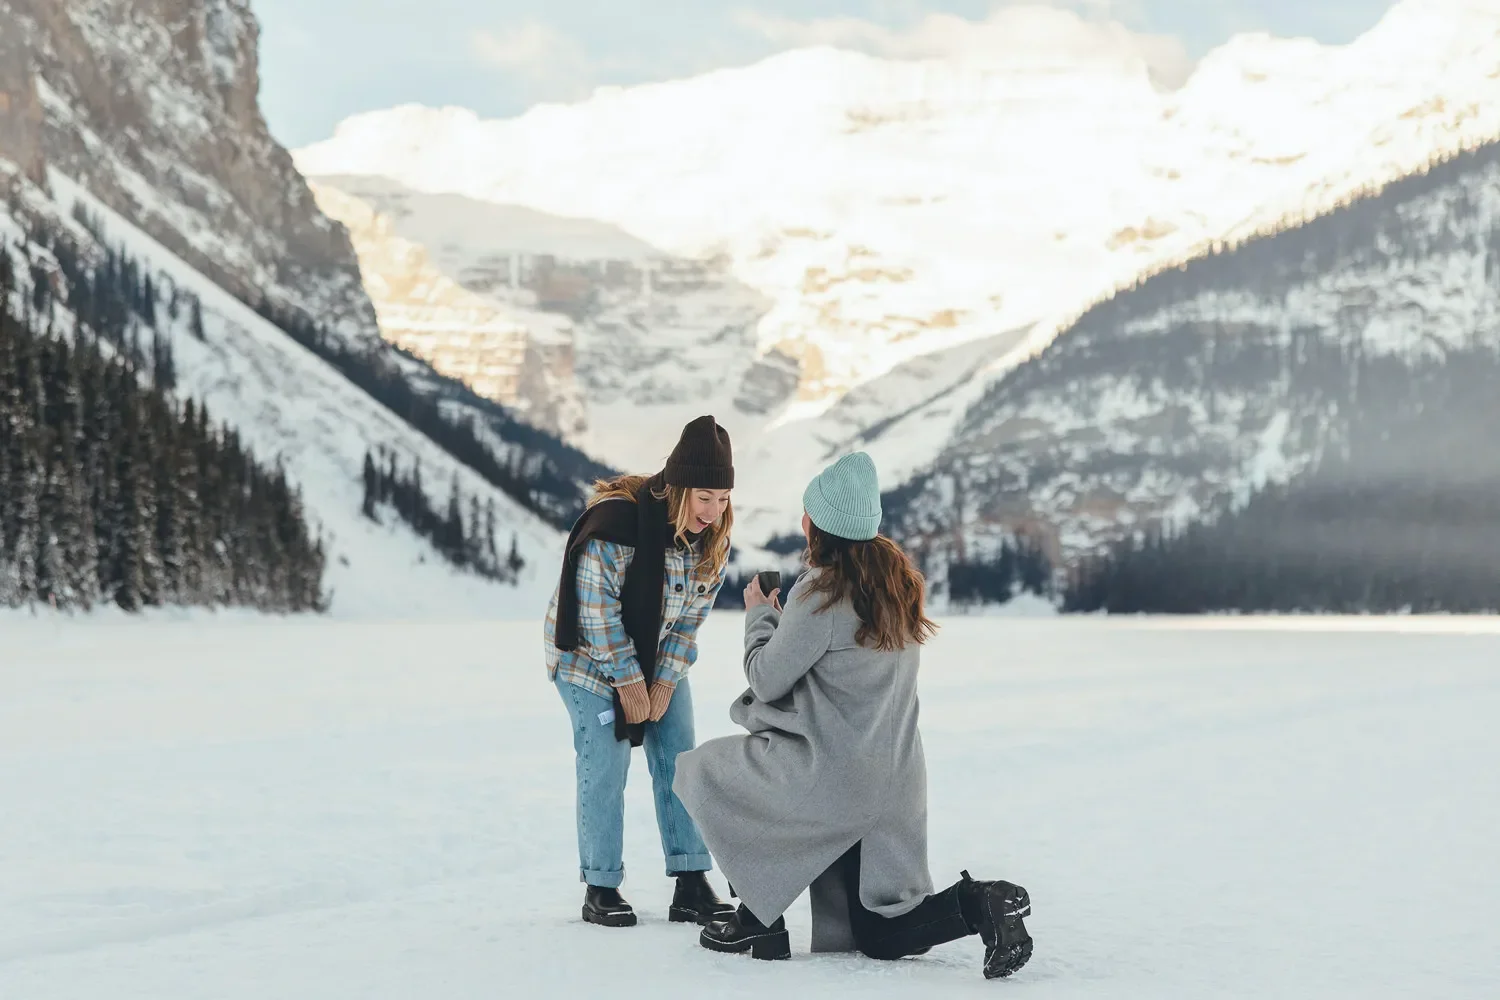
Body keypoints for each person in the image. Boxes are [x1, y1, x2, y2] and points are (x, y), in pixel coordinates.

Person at [673, 452, 1034, 979]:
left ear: (818, 525)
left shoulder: (821, 592)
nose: (802, 522)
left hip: (835, 776)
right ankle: (984, 903)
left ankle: (757, 917)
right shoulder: (896, 585)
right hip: (897, 780)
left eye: (808, 514)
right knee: (882, 933)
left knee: (705, 770)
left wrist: (759, 618)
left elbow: (768, 679)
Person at [544, 415, 737, 929]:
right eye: (703, 498)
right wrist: (629, 682)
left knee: (680, 755)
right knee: (605, 762)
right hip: (587, 658)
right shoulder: (615, 526)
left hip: (658, 659)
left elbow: (686, 626)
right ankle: (601, 885)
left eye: (722, 499)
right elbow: (596, 611)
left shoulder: (711, 546)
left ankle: (691, 881)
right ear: (678, 488)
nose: (713, 512)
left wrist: (664, 681)